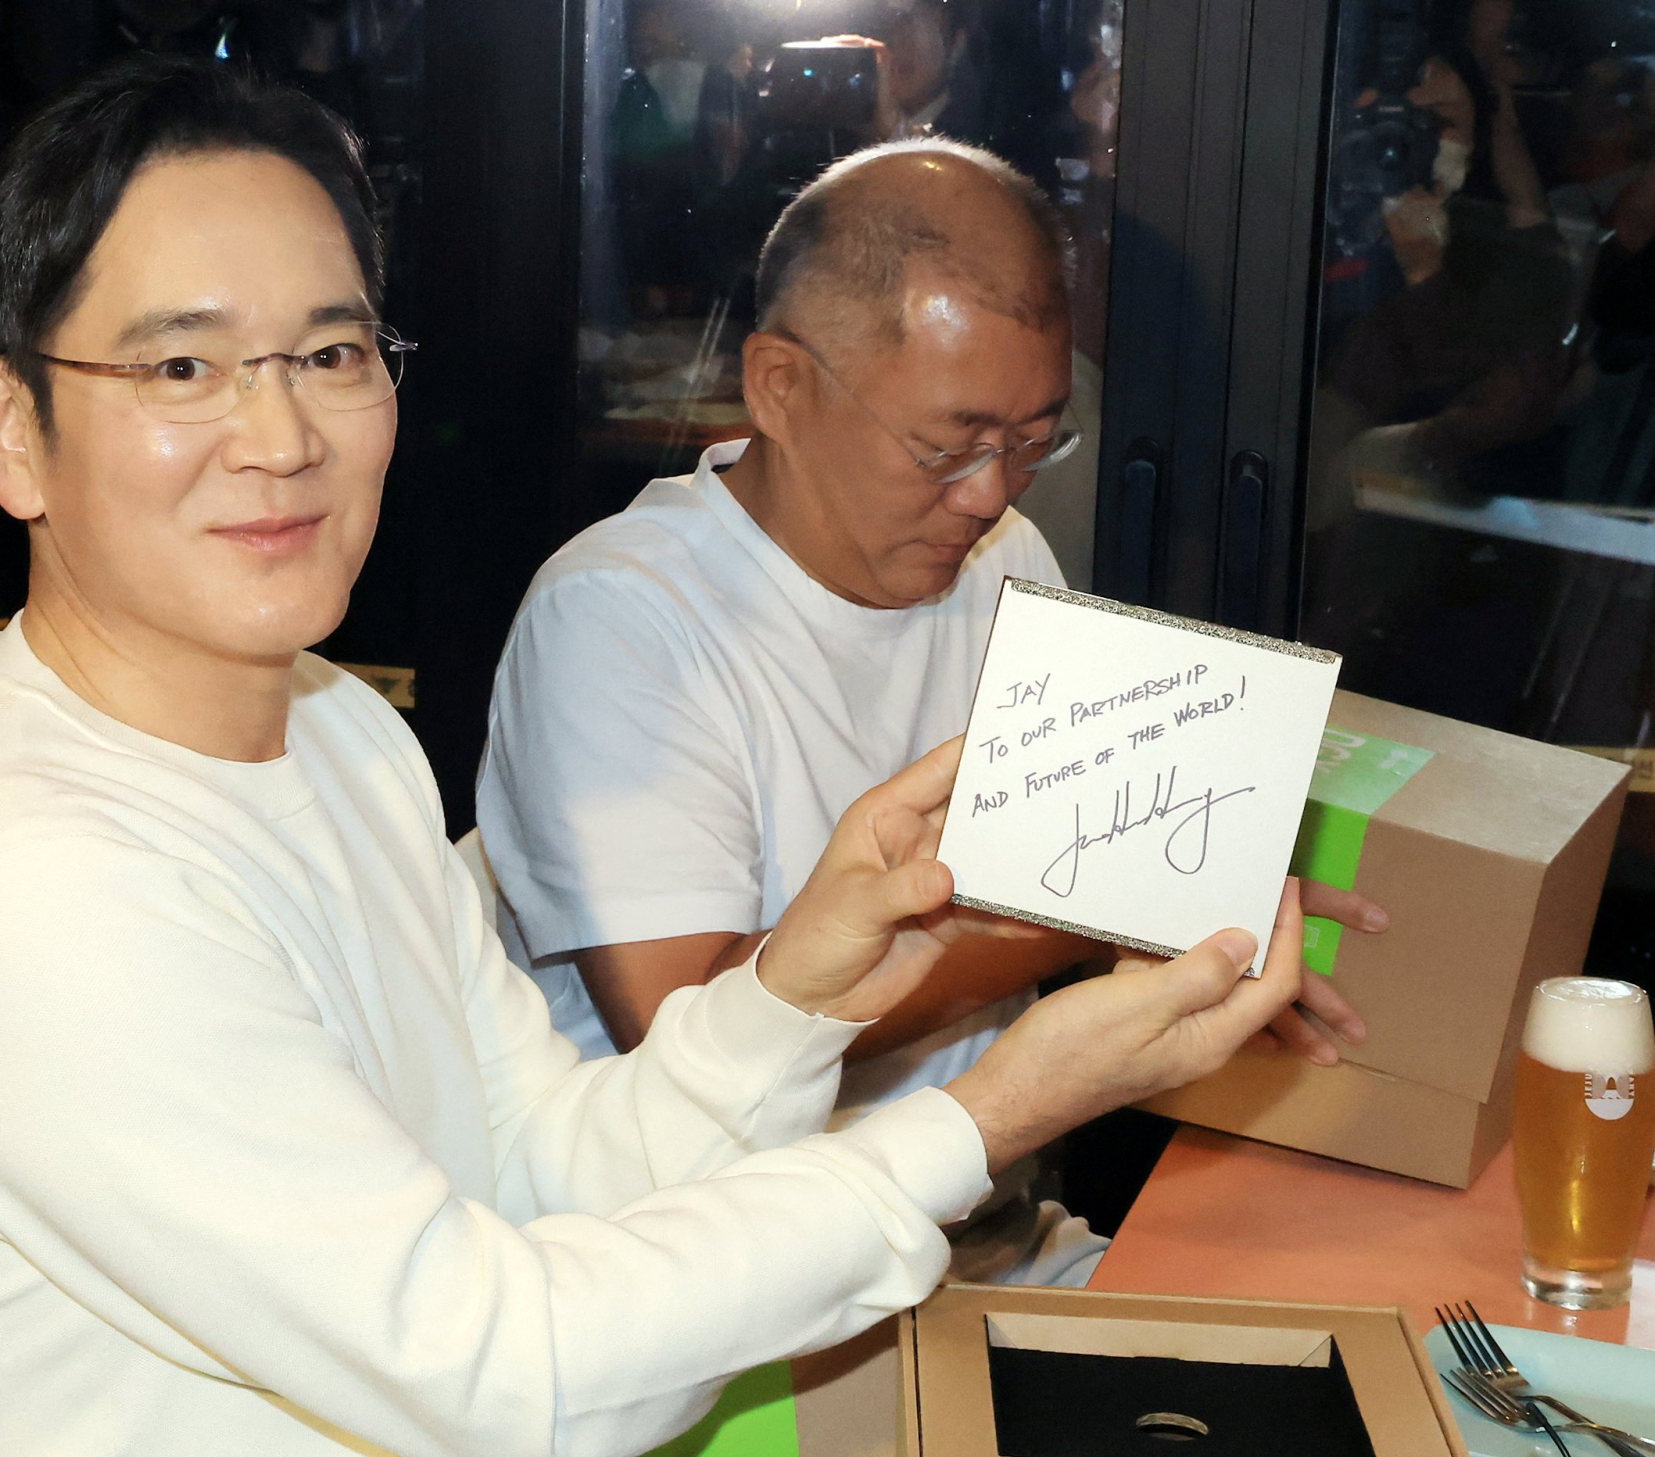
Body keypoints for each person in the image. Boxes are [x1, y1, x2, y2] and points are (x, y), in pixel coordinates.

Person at [0, 56, 1307, 1456]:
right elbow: (506, 1381)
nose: (277, 435)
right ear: (9, 431)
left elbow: (542, 1162)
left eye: (331, 351)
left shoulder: (335, 730)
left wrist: (796, 984)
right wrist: (987, 1115)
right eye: (180, 369)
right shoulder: (33, 889)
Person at [477, 137, 1379, 1285]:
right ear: (780, 386)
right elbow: (692, 1029)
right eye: (947, 444)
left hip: (982, 1229)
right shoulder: (623, 616)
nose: (990, 491)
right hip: (724, 1268)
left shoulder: (1005, 554)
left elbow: (1098, 867)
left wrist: (1206, 884)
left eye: (1032, 441)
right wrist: (1118, 901)